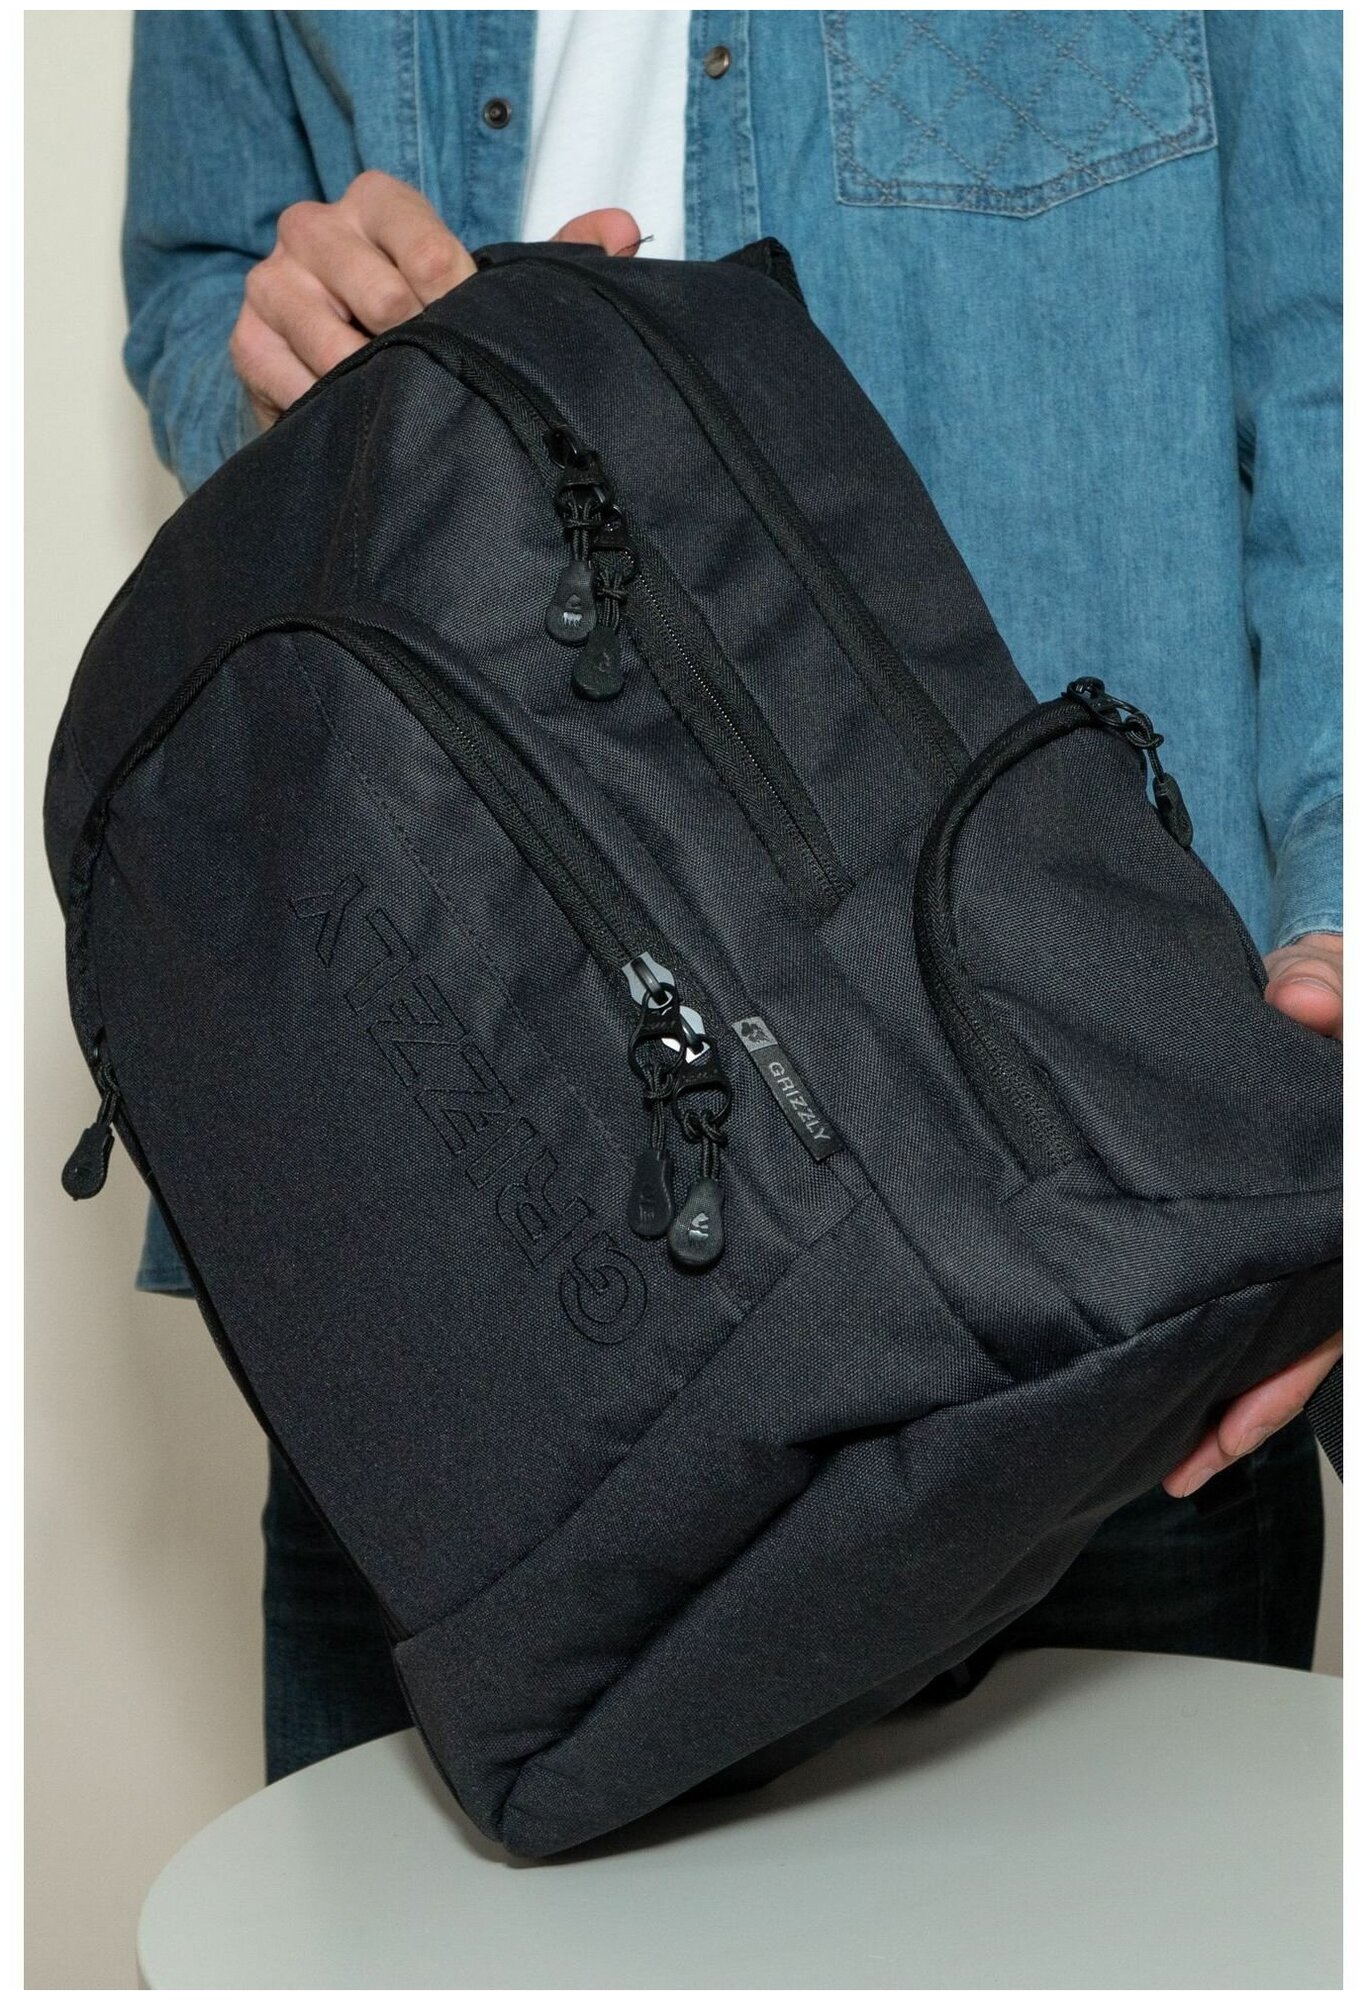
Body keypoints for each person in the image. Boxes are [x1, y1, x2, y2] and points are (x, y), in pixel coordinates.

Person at [121, 10, 1342, 1781]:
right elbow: (196, 272)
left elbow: (1330, 339)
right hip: (457, 1210)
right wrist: (268, 342)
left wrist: (1340, 937)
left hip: (1086, 1210)